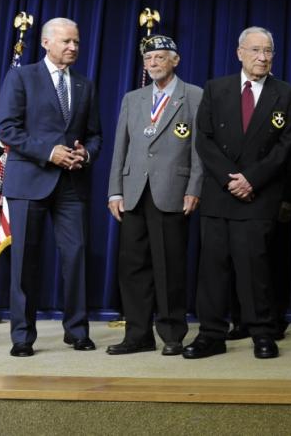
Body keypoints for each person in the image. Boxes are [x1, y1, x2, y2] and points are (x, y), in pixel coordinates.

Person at [184, 26, 291, 360]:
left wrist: (251, 179)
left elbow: (285, 147)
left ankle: (262, 333)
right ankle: (211, 334)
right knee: (212, 270)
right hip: (220, 195)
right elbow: (203, 139)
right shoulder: (215, 88)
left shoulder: (287, 94)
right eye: (255, 50)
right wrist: (229, 179)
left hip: (259, 195)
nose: (262, 57)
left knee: (256, 271)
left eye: (268, 51)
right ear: (239, 53)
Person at [0, 17, 102, 357]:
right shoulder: (21, 76)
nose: (73, 47)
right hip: (29, 182)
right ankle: (23, 337)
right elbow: (7, 128)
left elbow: (96, 134)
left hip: (72, 184)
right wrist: (49, 151)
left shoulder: (85, 85)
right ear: (46, 42)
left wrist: (86, 153)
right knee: (25, 261)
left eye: (77, 42)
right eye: (67, 41)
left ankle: (77, 331)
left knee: (76, 257)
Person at [106, 35, 202, 356]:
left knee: (169, 265)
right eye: (149, 59)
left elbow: (199, 150)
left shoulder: (194, 96)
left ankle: (173, 334)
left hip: (172, 190)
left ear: (175, 60)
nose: (154, 63)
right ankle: (137, 334)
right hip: (133, 191)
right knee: (132, 265)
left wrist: (194, 188)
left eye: (160, 57)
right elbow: (121, 147)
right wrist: (114, 190)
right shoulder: (133, 98)